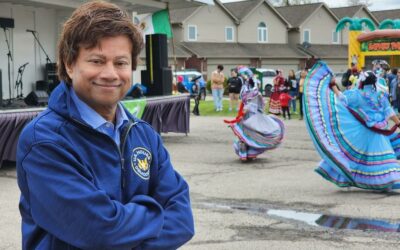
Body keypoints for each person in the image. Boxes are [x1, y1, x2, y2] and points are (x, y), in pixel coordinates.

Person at [16, 1, 194, 249]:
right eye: (97, 61)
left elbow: (183, 221)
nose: (110, 73)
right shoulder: (43, 141)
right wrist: (155, 213)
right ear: (69, 64)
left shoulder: (143, 134)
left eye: (120, 62)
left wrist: (123, 226)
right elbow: (100, 232)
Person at [304, 61, 400, 191]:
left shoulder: (357, 94)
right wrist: (398, 123)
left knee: (355, 155)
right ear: (374, 82)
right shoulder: (381, 95)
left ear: (362, 82)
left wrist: (333, 87)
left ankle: (359, 177)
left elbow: (342, 100)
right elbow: (389, 111)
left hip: (364, 130)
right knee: (382, 156)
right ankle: (387, 180)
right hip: (379, 132)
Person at [224, 66, 284, 161]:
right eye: (242, 75)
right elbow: (245, 101)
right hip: (247, 114)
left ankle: (250, 151)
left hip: (252, 115)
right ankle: (245, 152)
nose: (243, 77)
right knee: (245, 133)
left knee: (252, 133)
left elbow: (254, 103)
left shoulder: (254, 90)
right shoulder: (245, 87)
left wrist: (245, 109)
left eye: (244, 75)